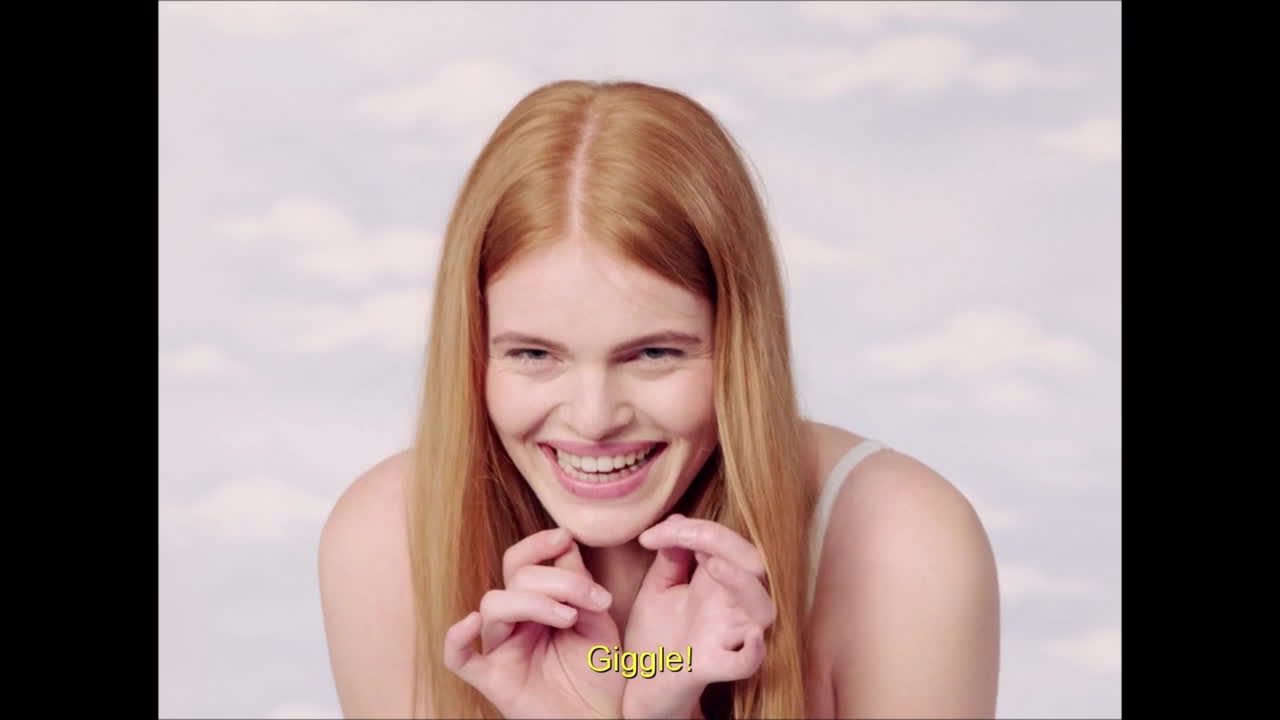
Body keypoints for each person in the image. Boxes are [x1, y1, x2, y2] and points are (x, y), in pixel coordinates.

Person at [318, 79, 1000, 719]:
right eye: (533, 355)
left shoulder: (905, 545)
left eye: (653, 354)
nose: (593, 419)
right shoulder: (386, 539)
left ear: (737, 342)